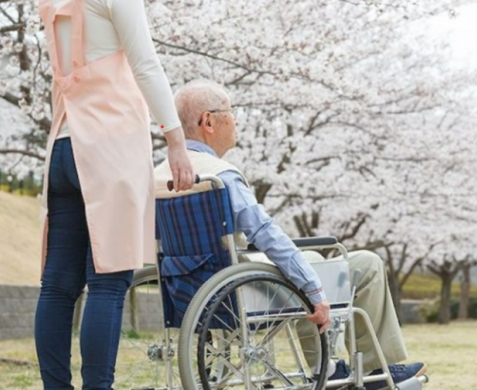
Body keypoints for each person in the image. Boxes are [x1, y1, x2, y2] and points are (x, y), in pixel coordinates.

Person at [154, 80, 427, 389]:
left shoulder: (159, 175)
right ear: (208, 121)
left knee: (308, 260)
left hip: (185, 289)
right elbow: (265, 232)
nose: (236, 120)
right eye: (232, 112)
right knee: (365, 263)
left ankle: (334, 366)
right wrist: (312, 289)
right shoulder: (221, 176)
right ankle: (371, 370)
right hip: (240, 291)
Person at [34, 0, 194, 388]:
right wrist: (175, 140)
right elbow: (145, 63)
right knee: (108, 281)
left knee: (57, 285)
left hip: (63, 147)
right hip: (109, 147)